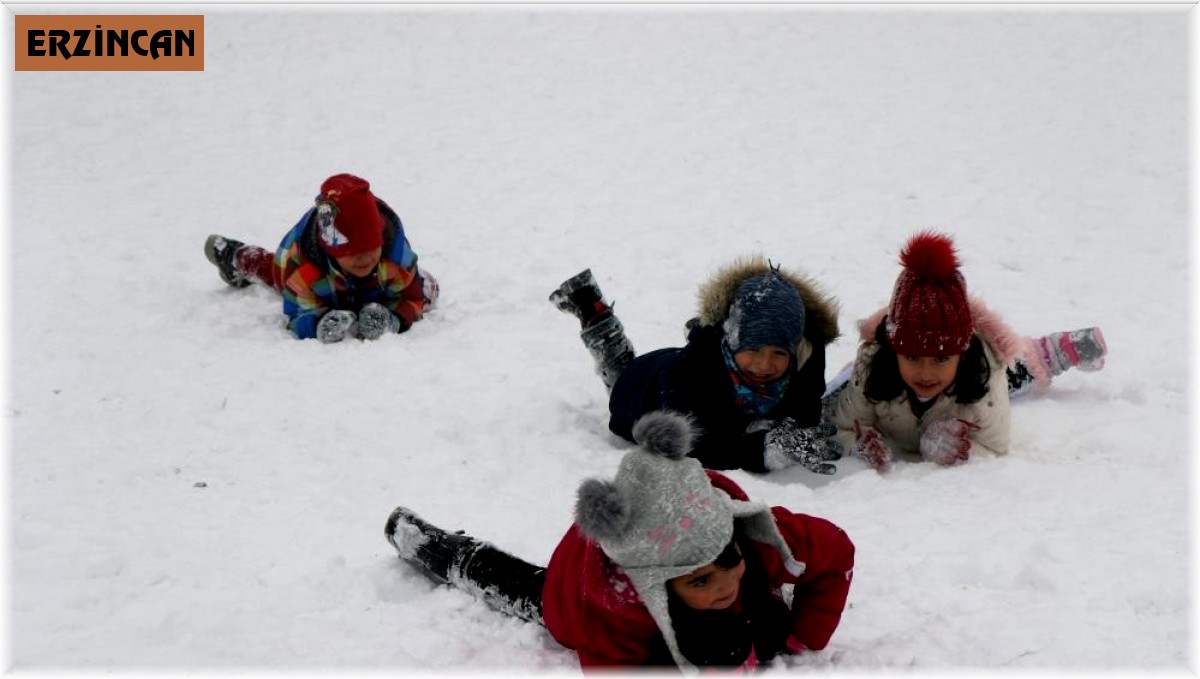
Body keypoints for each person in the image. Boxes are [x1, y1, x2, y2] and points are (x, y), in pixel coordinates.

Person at [385, 410, 855, 671]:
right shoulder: (616, 612)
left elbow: (836, 554)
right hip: (571, 590)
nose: (722, 585)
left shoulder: (755, 537)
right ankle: (432, 547)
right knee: (521, 588)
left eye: (727, 560)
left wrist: (802, 634)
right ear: (658, 588)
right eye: (698, 581)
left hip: (655, 526)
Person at [828, 230, 1107, 471]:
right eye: (912, 357)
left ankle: (1051, 352)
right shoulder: (872, 369)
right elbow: (839, 428)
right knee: (844, 384)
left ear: (961, 352)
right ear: (894, 351)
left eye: (940, 358)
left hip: (971, 382)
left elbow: (996, 447)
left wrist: (960, 450)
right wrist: (859, 444)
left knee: (1016, 371)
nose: (925, 373)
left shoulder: (984, 376)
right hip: (885, 377)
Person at [549, 259, 843, 474]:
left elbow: (805, 412)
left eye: (779, 352)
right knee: (621, 372)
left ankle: (699, 335)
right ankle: (595, 315)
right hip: (646, 390)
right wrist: (762, 450)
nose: (765, 365)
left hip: (696, 368)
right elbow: (694, 446)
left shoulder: (807, 357)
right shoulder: (691, 375)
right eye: (752, 349)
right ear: (731, 341)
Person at [203, 173, 437, 342]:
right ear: (331, 249)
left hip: (376, 285)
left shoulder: (395, 257)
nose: (365, 257)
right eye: (352, 251)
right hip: (314, 279)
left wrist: (393, 319)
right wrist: (318, 323)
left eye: (371, 247)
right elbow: (295, 314)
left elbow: (412, 297)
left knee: (425, 287)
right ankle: (236, 257)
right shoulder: (304, 270)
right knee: (273, 273)